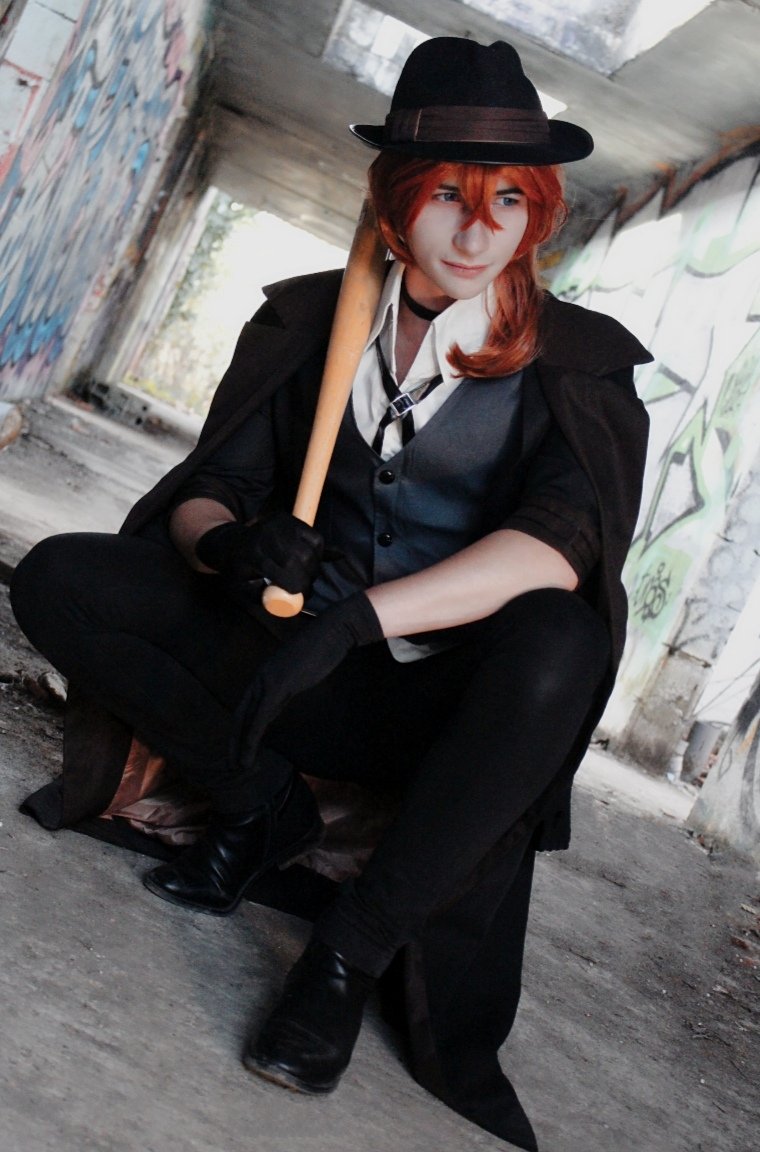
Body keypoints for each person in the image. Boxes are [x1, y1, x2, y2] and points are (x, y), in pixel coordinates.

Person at [10, 38, 651, 1151]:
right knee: (63, 575)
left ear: (537, 210)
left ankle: (346, 954)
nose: (477, 231)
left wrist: (361, 621)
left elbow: (558, 548)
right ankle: (261, 805)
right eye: (447, 197)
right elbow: (207, 492)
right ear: (397, 201)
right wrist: (231, 547)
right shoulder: (308, 321)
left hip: (442, 713)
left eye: (506, 200)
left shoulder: (582, 364)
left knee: (563, 642)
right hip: (282, 678)